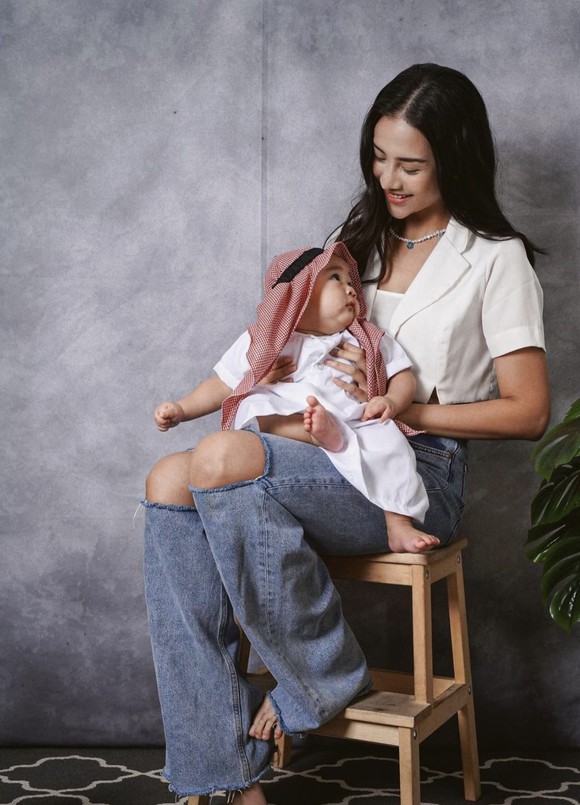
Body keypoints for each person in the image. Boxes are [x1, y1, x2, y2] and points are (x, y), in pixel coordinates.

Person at [143, 63, 550, 805]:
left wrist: (405, 409)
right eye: (378, 155)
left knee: (219, 457)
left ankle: (318, 676)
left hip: (417, 473)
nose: (388, 178)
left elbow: (529, 411)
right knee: (167, 480)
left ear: (453, 158)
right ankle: (227, 774)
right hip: (319, 448)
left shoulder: (495, 258)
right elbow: (278, 337)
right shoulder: (351, 240)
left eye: (411, 164)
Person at [154, 242, 437, 554]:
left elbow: (403, 376)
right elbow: (222, 384)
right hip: (280, 422)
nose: (351, 289)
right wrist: (182, 409)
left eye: (350, 280)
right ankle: (312, 434)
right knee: (254, 403)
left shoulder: (366, 337)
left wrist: (391, 402)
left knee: (390, 443)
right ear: (298, 295)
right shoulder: (266, 339)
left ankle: (398, 524)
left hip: (351, 424)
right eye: (335, 279)